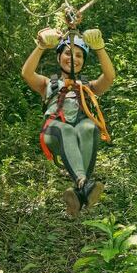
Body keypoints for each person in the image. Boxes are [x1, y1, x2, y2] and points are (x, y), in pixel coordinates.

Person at [21, 27, 115, 217]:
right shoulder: (48, 84)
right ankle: (83, 184)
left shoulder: (87, 86)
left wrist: (100, 48)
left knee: (89, 127)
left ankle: (79, 191)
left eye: (79, 55)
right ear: (59, 57)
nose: (73, 58)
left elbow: (109, 77)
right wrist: (41, 46)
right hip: (54, 130)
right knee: (67, 131)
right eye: (68, 53)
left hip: (80, 130)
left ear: (83, 62)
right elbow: (27, 73)